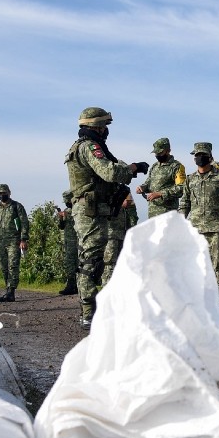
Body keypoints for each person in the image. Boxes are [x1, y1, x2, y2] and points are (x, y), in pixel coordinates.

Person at [65, 107, 147, 329]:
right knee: (91, 261)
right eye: (104, 127)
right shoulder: (90, 147)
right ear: (97, 127)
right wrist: (133, 168)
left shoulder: (89, 146)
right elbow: (110, 172)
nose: (106, 131)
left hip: (99, 210)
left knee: (104, 260)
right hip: (90, 213)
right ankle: (89, 313)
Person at [180, 142, 219, 311]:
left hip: (216, 227)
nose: (198, 157)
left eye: (201, 154)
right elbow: (184, 203)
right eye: (196, 155)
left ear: (209, 156)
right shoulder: (190, 179)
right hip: (195, 229)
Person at [0, 183, 30, 302]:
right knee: (4, 267)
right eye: (0, 193)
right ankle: (7, 290)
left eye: (4, 193)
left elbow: (24, 223)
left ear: (9, 193)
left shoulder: (16, 206)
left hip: (14, 241)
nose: (2, 195)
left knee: (13, 266)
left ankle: (11, 291)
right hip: (0, 242)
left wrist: (23, 239)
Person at [135, 137, 186, 218]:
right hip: (153, 213)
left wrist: (161, 194)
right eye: (156, 153)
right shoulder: (155, 166)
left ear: (168, 151)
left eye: (160, 153)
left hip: (168, 213)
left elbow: (181, 188)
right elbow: (148, 183)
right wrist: (143, 187)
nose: (157, 155)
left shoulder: (177, 166)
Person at [102, 189, 139, 285]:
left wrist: (132, 228)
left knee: (121, 260)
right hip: (110, 232)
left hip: (122, 232)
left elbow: (130, 206)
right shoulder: (104, 189)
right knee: (109, 260)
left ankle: (119, 284)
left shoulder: (123, 189)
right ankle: (107, 284)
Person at [56, 190, 78, 295]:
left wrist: (68, 215)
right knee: (70, 263)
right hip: (68, 241)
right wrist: (60, 217)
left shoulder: (78, 209)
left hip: (77, 241)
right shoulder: (66, 211)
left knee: (77, 263)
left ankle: (75, 285)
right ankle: (71, 284)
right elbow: (61, 226)